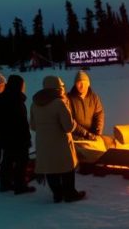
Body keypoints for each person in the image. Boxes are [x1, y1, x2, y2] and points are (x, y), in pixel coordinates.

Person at [30, 75, 85, 203]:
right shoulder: (59, 103)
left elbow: (33, 126)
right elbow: (68, 127)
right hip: (60, 143)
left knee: (50, 168)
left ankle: (57, 194)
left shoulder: (35, 104)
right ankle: (70, 194)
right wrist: (75, 124)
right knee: (67, 168)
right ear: (58, 87)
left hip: (43, 143)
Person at [0, 74, 36, 195]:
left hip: (6, 136)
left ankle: (5, 183)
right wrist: (26, 137)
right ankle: (20, 185)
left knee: (7, 160)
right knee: (21, 161)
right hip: (18, 137)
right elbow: (21, 122)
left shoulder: (3, 98)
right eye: (22, 85)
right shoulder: (16, 100)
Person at [68, 70, 113, 155]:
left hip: (92, 136)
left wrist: (97, 131)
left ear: (89, 84)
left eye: (84, 82)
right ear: (75, 84)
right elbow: (70, 121)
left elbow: (99, 114)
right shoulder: (69, 99)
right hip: (77, 138)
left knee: (101, 153)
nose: (82, 86)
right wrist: (85, 134)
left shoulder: (94, 98)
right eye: (79, 83)